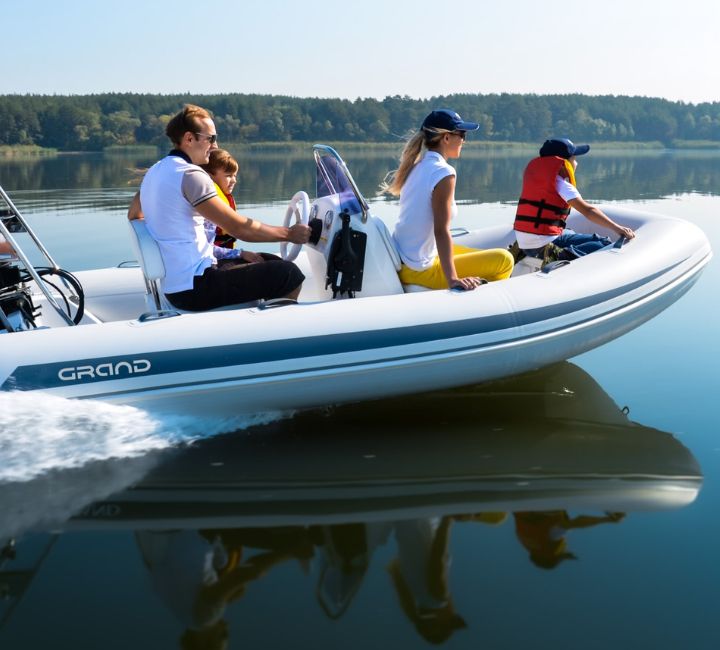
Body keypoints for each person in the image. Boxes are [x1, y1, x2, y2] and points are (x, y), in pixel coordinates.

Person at [135, 104, 310, 311]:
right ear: (189, 139)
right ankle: (275, 336)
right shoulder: (191, 175)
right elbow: (239, 228)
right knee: (289, 274)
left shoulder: (155, 171)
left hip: (178, 283)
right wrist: (289, 234)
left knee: (268, 260)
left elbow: (134, 215)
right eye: (211, 138)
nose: (216, 145)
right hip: (195, 286)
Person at [383, 109, 514, 291]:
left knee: (477, 253)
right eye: (462, 134)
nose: (464, 140)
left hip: (406, 259)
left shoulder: (416, 167)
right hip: (420, 269)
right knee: (504, 260)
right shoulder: (443, 172)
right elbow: (441, 230)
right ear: (446, 138)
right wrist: (452, 278)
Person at [514, 138, 635, 264]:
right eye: (575, 159)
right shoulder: (561, 185)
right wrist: (618, 228)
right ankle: (566, 256)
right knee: (603, 242)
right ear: (565, 162)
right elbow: (589, 211)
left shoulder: (536, 182)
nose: (577, 163)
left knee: (568, 231)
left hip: (525, 245)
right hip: (542, 247)